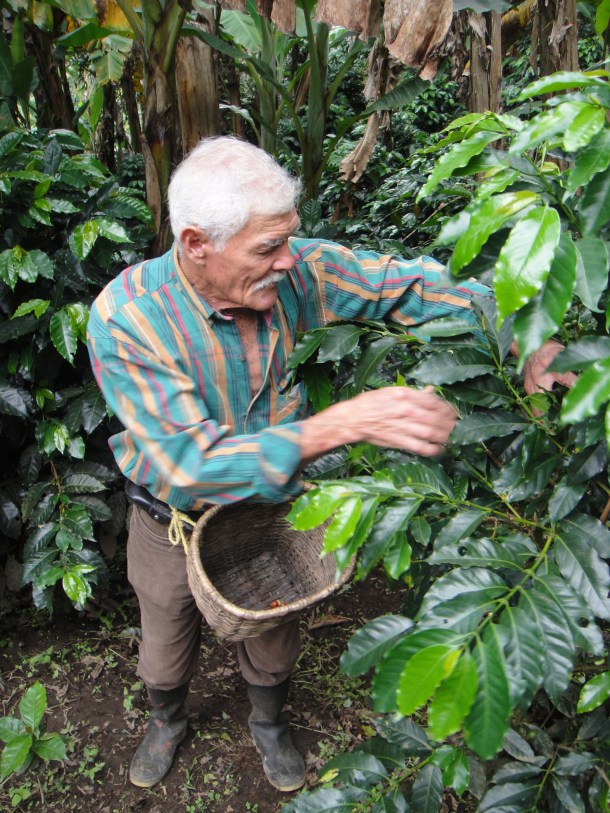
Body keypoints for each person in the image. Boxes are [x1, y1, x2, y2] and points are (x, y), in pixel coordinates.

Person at [86, 136, 573, 794]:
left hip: (276, 511)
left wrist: (521, 325)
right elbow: (191, 464)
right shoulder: (129, 318)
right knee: (164, 640)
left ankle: (268, 722)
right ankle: (167, 717)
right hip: (168, 516)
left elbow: (400, 285)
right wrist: (343, 423)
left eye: (290, 239)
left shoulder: (297, 269)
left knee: (275, 631)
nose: (289, 261)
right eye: (267, 248)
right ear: (197, 243)